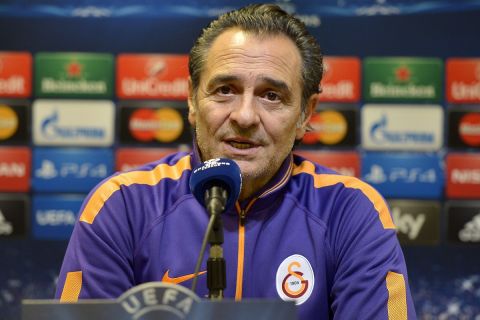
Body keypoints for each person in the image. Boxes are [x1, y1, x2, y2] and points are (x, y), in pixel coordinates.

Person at [56, 4, 416, 319]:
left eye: (271, 95)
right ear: (193, 101)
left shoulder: (351, 211)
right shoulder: (122, 205)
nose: (244, 116)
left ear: (306, 114)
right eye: (225, 90)